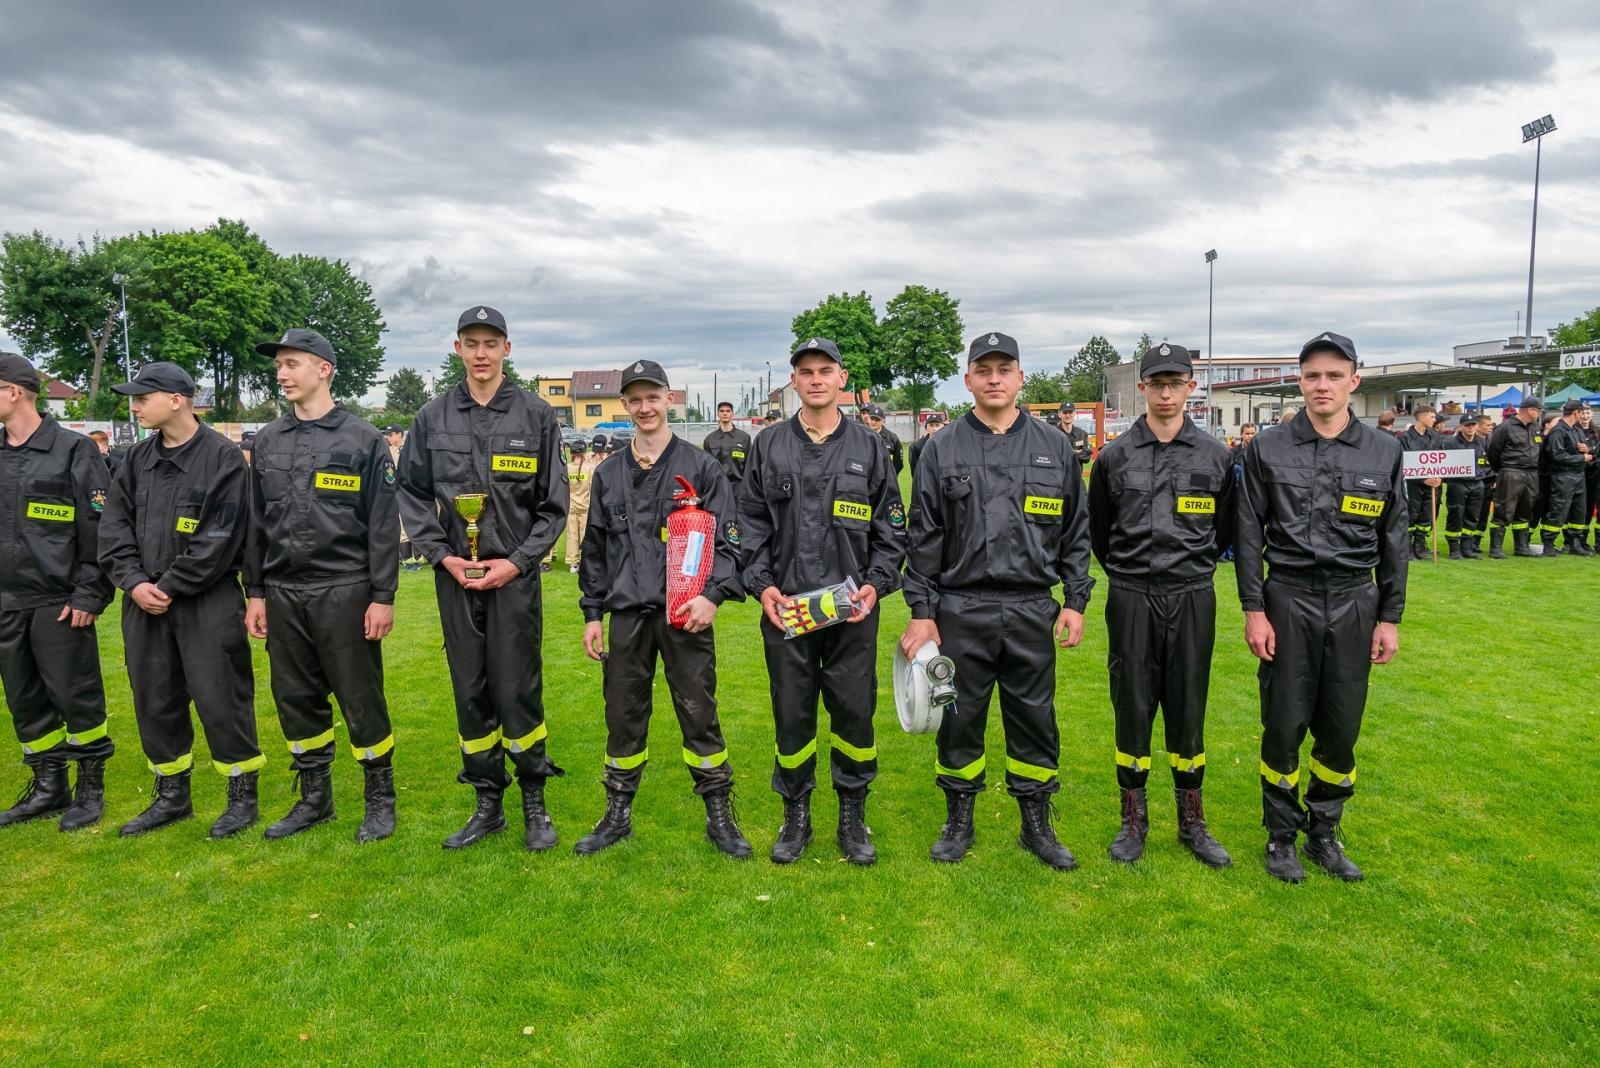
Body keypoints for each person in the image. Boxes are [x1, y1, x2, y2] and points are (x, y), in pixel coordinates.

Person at [901, 331, 1094, 870]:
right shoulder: (941, 448)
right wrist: (922, 612)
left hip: (1033, 606)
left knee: (1034, 717)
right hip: (961, 608)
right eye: (983, 370)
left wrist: (1075, 600)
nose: (993, 379)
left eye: (1003, 369)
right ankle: (958, 821)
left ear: (1020, 377)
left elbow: (1076, 530)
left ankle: (1036, 824)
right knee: (959, 716)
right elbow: (924, 536)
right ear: (967, 380)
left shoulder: (1054, 446)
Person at [1236, 332, 1407, 883]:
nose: (1323, 385)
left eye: (1334, 375)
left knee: (1340, 725)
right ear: (1300, 381)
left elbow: (1395, 538)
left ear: (1355, 380)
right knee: (1283, 722)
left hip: (1356, 600)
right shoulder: (1268, 447)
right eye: (1312, 375)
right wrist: (1254, 610)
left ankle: (1324, 834)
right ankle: (1281, 835)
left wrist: (1389, 616)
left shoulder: (1384, 451)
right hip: (1289, 597)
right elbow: (1247, 535)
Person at [397, 306, 568, 851]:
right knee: (469, 690)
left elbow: (553, 507)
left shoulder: (537, 416)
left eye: (491, 343)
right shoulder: (432, 416)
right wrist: (442, 557)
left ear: (507, 349)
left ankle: (534, 799)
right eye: (471, 343)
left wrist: (516, 562)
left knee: (518, 688)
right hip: (456, 577)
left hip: (513, 579)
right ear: (457, 349)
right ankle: (487, 803)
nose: (481, 353)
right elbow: (412, 494)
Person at [737, 337, 905, 866]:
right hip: (787, 609)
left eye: (825, 370)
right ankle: (796, 815)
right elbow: (749, 525)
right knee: (792, 713)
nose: (815, 379)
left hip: (852, 613)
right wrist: (762, 585)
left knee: (854, 712)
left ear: (842, 378)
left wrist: (876, 584)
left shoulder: (870, 447)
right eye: (805, 371)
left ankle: (853, 815)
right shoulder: (768, 445)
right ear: (794, 381)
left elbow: (891, 531)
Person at [574, 360, 751, 857]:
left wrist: (712, 597)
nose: (645, 407)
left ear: (668, 400)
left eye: (653, 397)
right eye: (635, 399)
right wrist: (592, 614)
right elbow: (595, 551)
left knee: (699, 713)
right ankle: (617, 816)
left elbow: (730, 542)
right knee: (623, 715)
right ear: (624, 405)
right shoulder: (609, 473)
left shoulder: (700, 467)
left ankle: (720, 817)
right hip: (627, 616)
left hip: (686, 617)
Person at [244, 329, 400, 844]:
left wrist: (382, 597)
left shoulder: (362, 439)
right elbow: (255, 523)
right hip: (283, 592)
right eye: (279, 366)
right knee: (296, 698)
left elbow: (382, 525)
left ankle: (380, 798)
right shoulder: (267, 440)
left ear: (324, 369)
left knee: (360, 697)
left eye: (292, 364)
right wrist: (255, 592)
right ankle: (315, 798)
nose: (282, 374)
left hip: (345, 588)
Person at [98, 362, 264, 838]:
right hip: (143, 602)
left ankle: (241, 796)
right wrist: (134, 583)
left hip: (205, 602)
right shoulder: (135, 459)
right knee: (155, 699)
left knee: (221, 697)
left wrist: (169, 585)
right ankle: (172, 796)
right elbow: (113, 527)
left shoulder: (223, 458)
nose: (134, 406)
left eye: (142, 397)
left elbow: (221, 537)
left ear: (176, 400)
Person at [1087, 343, 1233, 867]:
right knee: (1132, 702)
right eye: (1157, 383)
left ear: (1191, 387)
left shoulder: (1216, 456)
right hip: (1131, 593)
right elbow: (1099, 533)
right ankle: (1133, 818)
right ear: (1142, 387)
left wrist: (1190, 571)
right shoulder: (1114, 457)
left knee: (1189, 703)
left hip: (1192, 594)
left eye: (1176, 383)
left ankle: (1192, 819)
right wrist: (1130, 576)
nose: (1166, 393)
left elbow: (1224, 531)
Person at [0, 353, 114, 830]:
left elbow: (101, 528)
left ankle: (89, 789)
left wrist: (89, 594)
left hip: (59, 603)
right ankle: (49, 787)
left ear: (14, 392)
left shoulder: (73, 450)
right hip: (7, 604)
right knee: (24, 701)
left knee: (76, 697)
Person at [1486, 397, 1545, 558]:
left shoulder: (1535, 427)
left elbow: (1540, 449)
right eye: (1538, 410)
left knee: (1526, 509)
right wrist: (1503, 470)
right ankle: (1496, 548)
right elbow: (1493, 452)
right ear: (1530, 410)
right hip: (1511, 471)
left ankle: (1521, 546)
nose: (1539, 414)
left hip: (1531, 473)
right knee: (1504, 509)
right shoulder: (1505, 427)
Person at [1540, 400, 1594, 556]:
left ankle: (1574, 543)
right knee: (1559, 510)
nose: (1583, 415)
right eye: (1581, 412)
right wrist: (1581, 458)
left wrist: (1586, 449)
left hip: (1578, 475)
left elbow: (1581, 450)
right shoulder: (1558, 431)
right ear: (1576, 413)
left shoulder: (1576, 429)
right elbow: (1556, 456)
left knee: (1579, 511)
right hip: (1562, 476)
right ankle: (1548, 545)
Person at [1396, 405, 1443, 560]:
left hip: (1432, 485)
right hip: (1412, 485)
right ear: (1421, 418)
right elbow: (1402, 463)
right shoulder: (1404, 438)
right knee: (1411, 515)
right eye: (1432, 417)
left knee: (1426, 516)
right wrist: (1422, 479)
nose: (1434, 420)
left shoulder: (1435, 437)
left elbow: (1442, 458)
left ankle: (1420, 547)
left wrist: (1440, 477)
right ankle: (1407, 548)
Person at [545, 438, 598, 573]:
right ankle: (584, 561)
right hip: (585, 507)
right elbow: (593, 488)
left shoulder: (566, 468)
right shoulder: (590, 468)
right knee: (585, 536)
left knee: (572, 536)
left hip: (571, 507)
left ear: (572, 453)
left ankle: (572, 563)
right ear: (584, 453)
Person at [1443, 416, 1489, 559]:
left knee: (1473, 516)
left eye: (1473, 425)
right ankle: (1454, 548)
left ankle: (1466, 547)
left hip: (1477, 483)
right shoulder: (1450, 443)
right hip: (1457, 483)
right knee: (1456, 515)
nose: (1470, 427)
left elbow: (1487, 462)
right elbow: (1442, 462)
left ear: (1477, 426)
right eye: (1467, 425)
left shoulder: (1482, 442)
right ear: (1461, 426)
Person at [381, 425, 422, 571]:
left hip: (413, 491)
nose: (389, 437)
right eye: (388, 435)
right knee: (402, 525)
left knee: (415, 522)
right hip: (397, 491)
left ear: (399, 434)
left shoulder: (410, 448)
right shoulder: (389, 451)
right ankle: (407, 558)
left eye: (391, 434)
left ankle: (418, 556)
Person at [702, 401, 752, 487]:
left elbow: (750, 465)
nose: (725, 413)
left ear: (732, 414)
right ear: (718, 414)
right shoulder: (709, 439)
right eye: (722, 411)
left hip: (739, 487)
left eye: (728, 411)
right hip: (717, 486)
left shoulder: (744, 438)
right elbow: (706, 467)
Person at [862, 404, 904, 476]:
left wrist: (891, 476)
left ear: (882, 421)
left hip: (886, 478)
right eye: (872, 419)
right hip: (868, 477)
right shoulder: (862, 436)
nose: (874, 422)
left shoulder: (892, 438)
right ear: (868, 419)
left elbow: (899, 462)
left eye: (877, 420)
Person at [1580, 405, 1600, 552]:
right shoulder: (1574, 431)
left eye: (1587, 413)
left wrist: (1592, 458)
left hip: (1596, 476)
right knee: (1584, 510)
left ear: (1591, 414)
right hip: (1581, 476)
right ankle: (1580, 541)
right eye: (1582, 413)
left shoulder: (1597, 432)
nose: (1585, 416)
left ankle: (1598, 543)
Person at [908, 411, 945, 478]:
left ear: (943, 427)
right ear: (926, 427)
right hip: (926, 481)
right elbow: (915, 471)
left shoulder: (949, 445)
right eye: (931, 425)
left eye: (937, 425)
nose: (934, 428)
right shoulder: (917, 446)